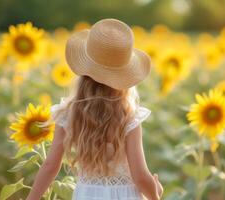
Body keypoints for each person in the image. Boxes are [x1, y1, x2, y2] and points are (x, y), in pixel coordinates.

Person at [26, 18, 163, 200]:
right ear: (124, 78)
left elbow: (50, 165)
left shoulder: (69, 113)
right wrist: (155, 194)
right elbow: (140, 175)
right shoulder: (128, 117)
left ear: (84, 71)